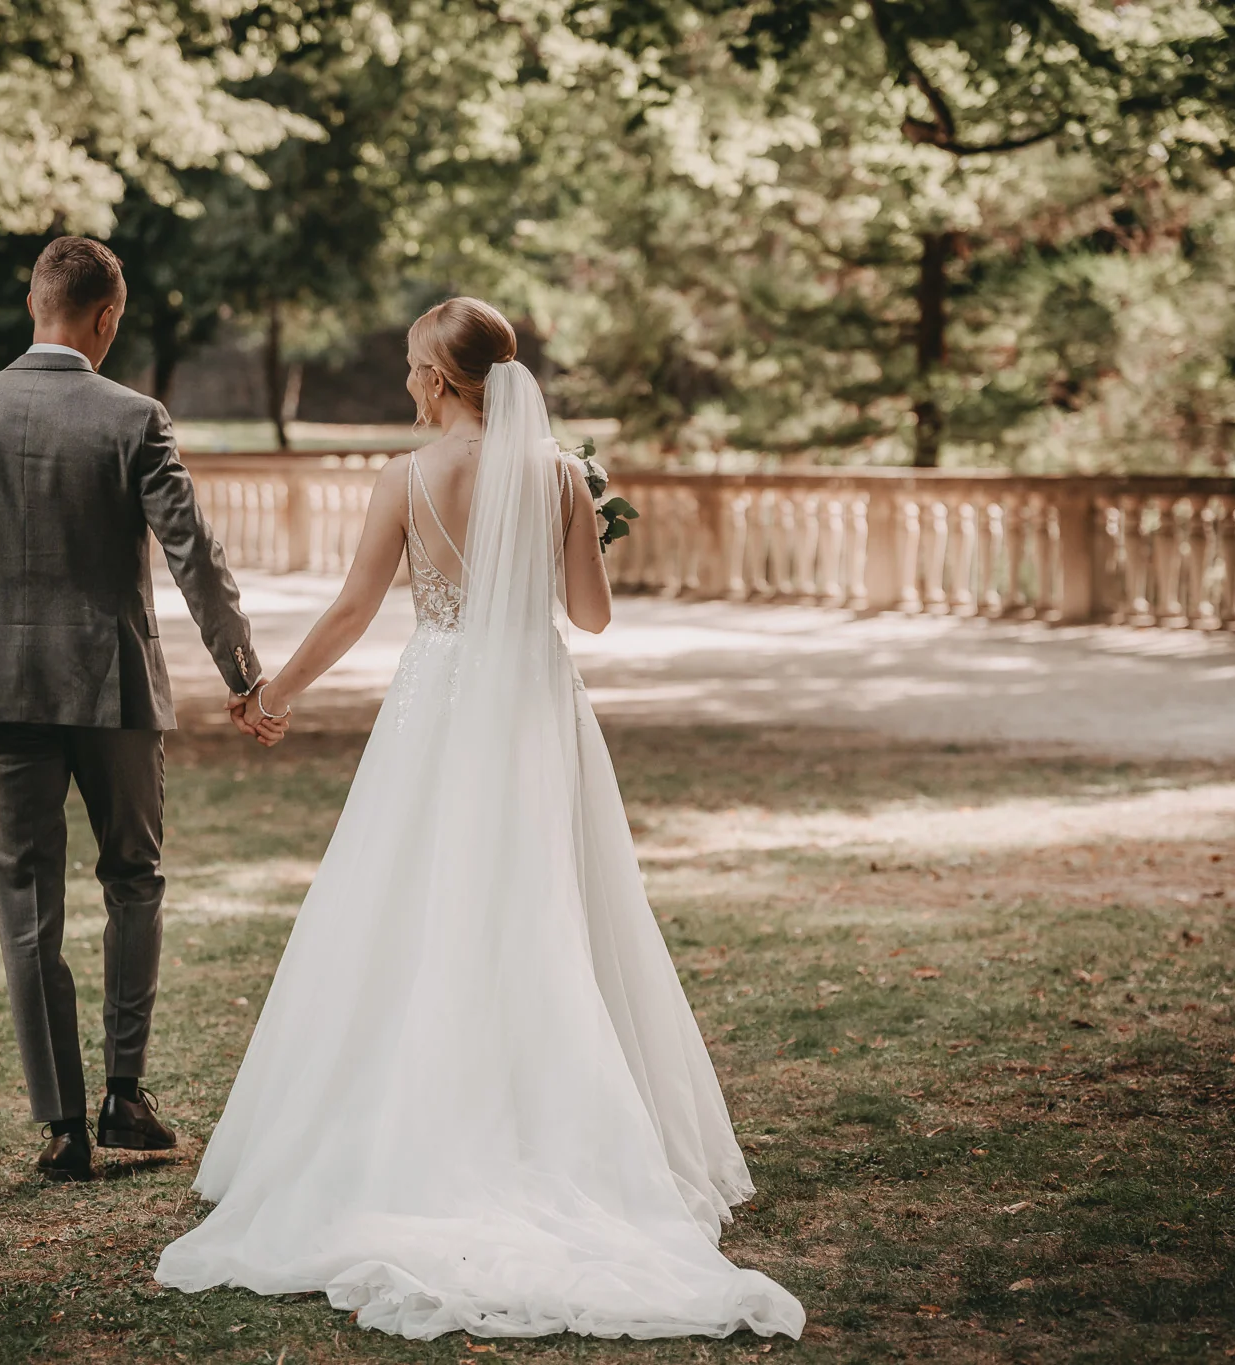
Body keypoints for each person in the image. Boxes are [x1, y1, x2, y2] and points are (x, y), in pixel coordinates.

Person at [157, 298, 806, 1341]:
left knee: (417, 898)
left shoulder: (407, 478)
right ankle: (560, 1125)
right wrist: (584, 518)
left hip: (442, 705)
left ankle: (410, 1124)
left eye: (414, 365)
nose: (407, 381)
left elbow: (353, 610)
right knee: (543, 901)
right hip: (533, 709)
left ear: (441, 379)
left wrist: (273, 694)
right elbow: (588, 618)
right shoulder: (557, 475)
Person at [0, 237, 270, 1183]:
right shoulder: (132, 417)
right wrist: (241, 668)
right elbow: (194, 553)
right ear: (106, 317)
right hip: (112, 692)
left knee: (26, 907)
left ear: (36, 306)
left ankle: (63, 1126)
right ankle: (126, 1097)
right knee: (134, 880)